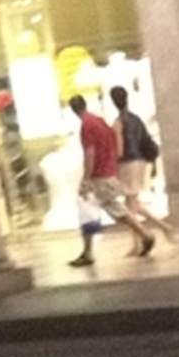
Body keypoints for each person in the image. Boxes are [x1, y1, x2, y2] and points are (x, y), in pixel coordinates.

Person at [65, 93, 162, 264]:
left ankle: (144, 235)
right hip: (108, 171)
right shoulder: (100, 121)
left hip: (99, 174)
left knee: (96, 210)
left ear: (73, 110)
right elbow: (112, 143)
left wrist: (86, 177)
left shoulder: (87, 126)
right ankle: (143, 235)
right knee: (110, 208)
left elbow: (90, 152)